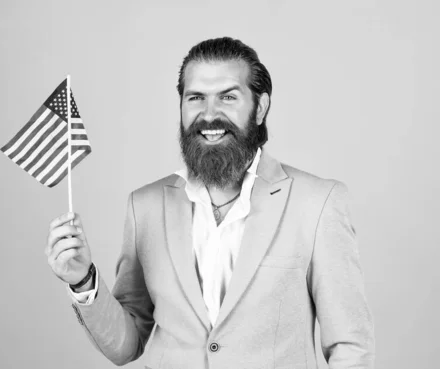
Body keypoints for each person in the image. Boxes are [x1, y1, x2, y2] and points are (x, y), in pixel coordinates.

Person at [45, 37, 375, 369]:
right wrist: (83, 280)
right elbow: (126, 346)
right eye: (196, 98)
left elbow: (350, 347)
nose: (210, 114)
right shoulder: (144, 206)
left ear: (260, 107)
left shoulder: (317, 203)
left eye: (228, 97)